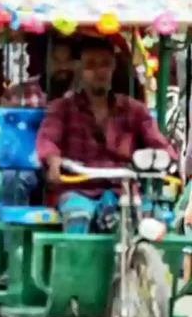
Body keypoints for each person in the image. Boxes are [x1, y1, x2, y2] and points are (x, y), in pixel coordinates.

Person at [36, 36, 176, 233]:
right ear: (80, 70)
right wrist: (52, 160)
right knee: (78, 217)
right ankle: (75, 264)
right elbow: (48, 138)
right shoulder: (62, 108)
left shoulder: (134, 109)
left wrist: (168, 159)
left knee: (154, 219)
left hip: (124, 188)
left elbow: (157, 141)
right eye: (91, 65)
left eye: (104, 64)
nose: (98, 72)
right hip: (79, 188)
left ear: (113, 68)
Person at [0, 40, 77, 206]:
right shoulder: (19, 93)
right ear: (43, 61)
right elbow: (3, 130)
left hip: (70, 164)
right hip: (27, 165)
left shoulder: (84, 94)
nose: (62, 66)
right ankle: (14, 232)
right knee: (11, 178)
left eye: (67, 60)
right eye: (56, 60)